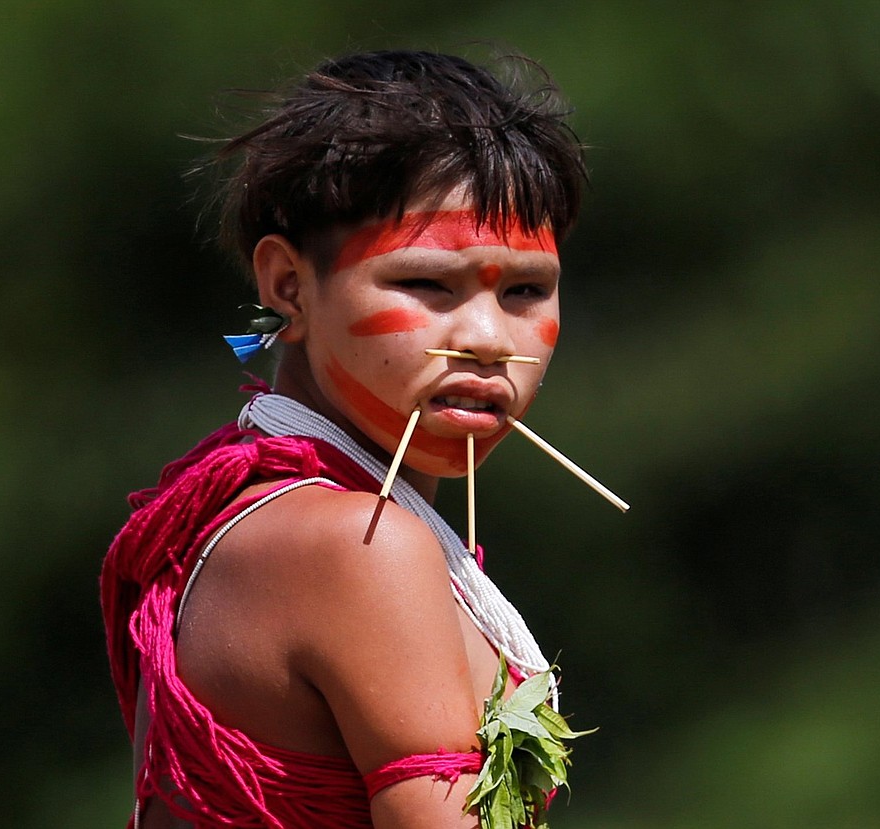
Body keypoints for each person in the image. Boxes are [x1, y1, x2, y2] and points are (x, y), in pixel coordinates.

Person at [101, 49, 589, 828]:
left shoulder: (271, 512)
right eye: (428, 283)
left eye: (526, 290)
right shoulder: (357, 544)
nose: (489, 338)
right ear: (288, 286)